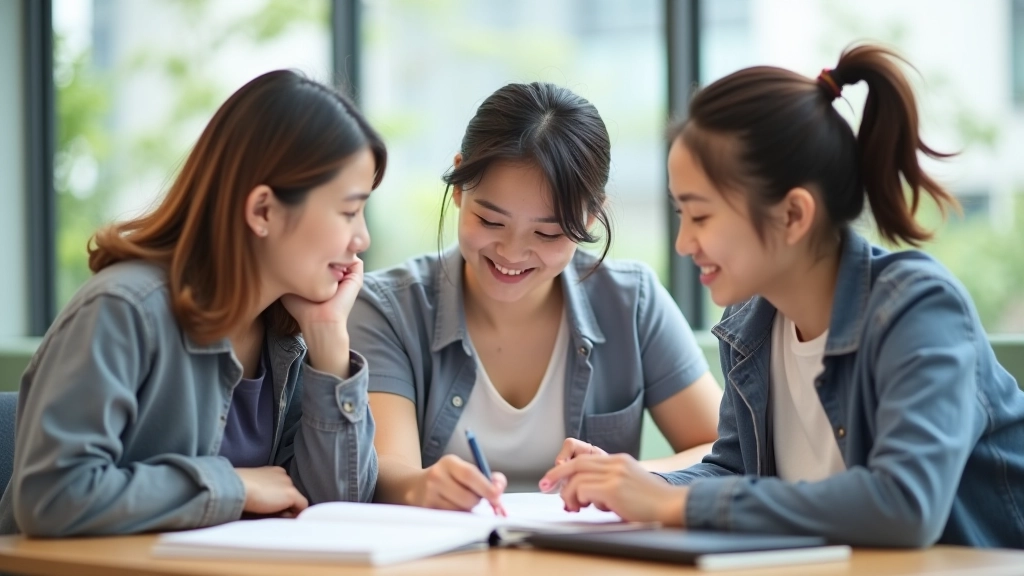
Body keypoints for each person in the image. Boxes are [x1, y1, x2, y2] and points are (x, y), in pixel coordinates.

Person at [540, 44, 1024, 548]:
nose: (684, 243)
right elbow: (732, 472)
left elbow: (904, 506)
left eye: (700, 215)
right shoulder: (750, 323)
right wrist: (636, 485)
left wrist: (674, 503)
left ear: (793, 215)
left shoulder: (917, 309)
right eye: (680, 215)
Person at [0, 70, 386, 537]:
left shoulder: (287, 336)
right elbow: (53, 497)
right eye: (348, 211)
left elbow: (334, 515)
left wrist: (330, 345)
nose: (362, 237)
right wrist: (234, 488)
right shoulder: (124, 310)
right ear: (262, 210)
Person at [350, 82, 722, 513]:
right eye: (490, 221)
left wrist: (630, 476)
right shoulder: (389, 308)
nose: (511, 253)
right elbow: (390, 467)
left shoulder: (631, 302)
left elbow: (720, 449)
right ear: (459, 184)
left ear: (591, 213)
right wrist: (420, 488)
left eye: (547, 232)